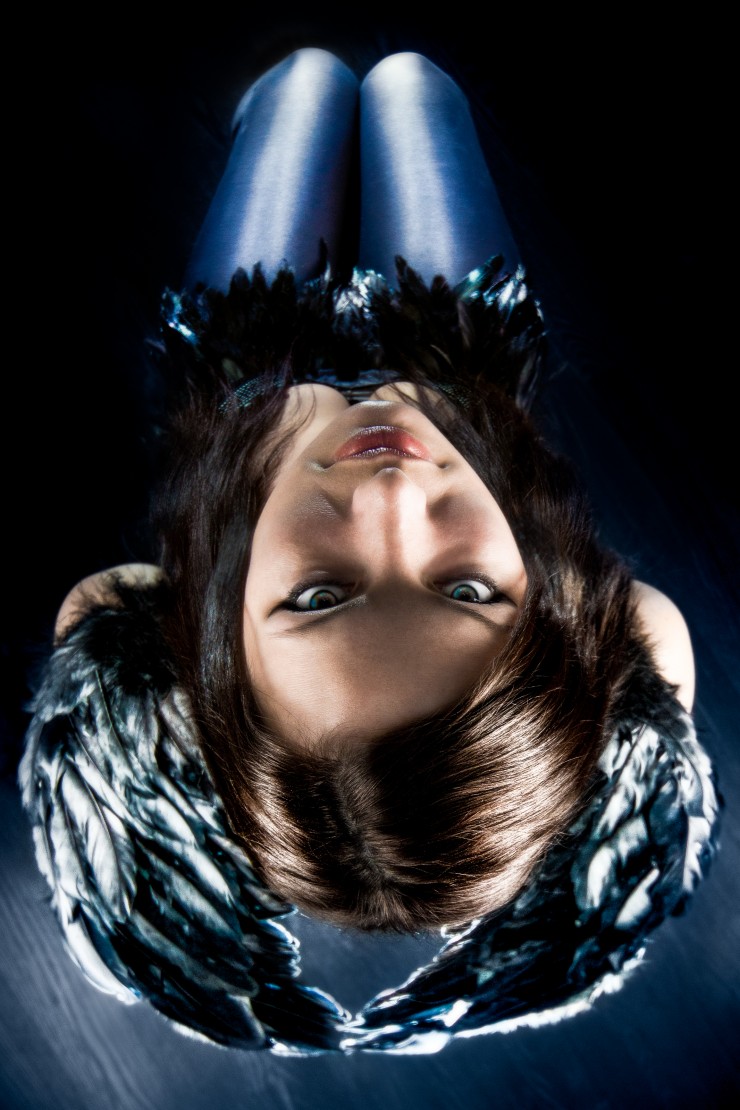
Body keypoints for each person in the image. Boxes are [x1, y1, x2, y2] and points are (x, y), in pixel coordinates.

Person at [20, 49, 718, 1055]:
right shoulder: (603, 629)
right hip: (455, 351)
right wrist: (540, 818)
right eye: (466, 588)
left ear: (207, 645)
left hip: (246, 356)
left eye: (318, 595)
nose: (392, 497)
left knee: (305, 78)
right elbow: (646, 647)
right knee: (408, 82)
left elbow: (102, 627)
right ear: (552, 615)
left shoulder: (168, 622)